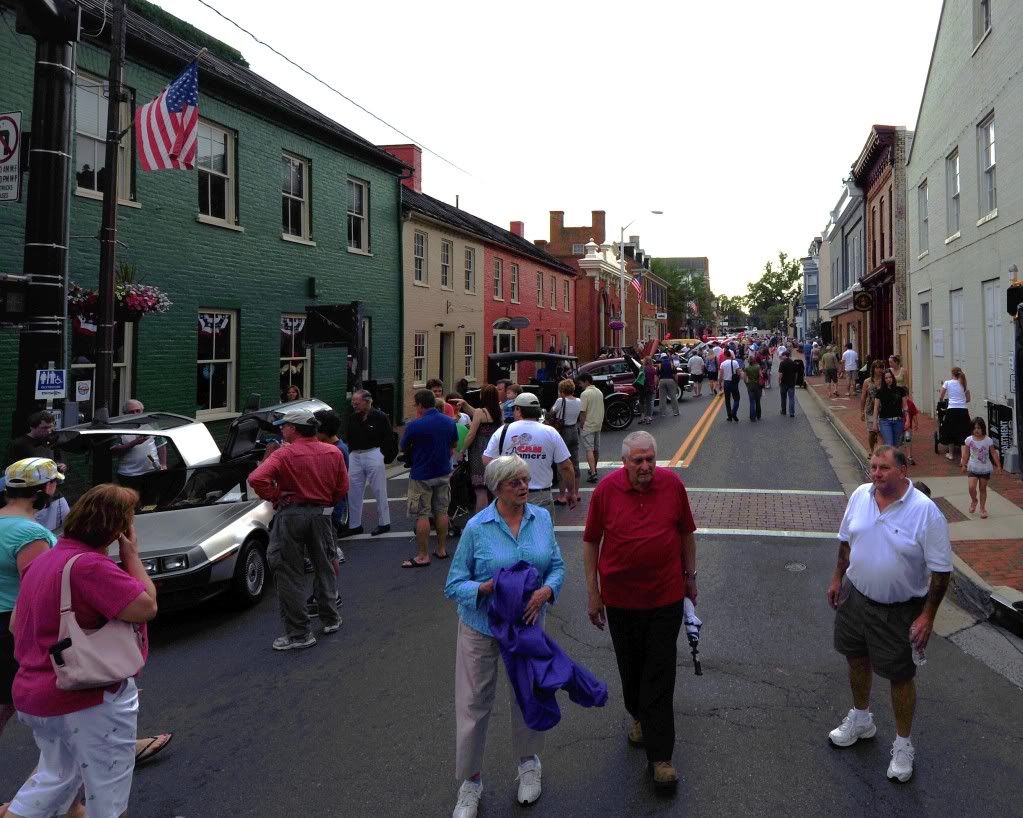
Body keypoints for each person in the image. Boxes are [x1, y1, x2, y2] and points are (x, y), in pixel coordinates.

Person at [5, 484, 158, 818]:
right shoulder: (90, 566)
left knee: (53, 781)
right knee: (108, 794)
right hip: (85, 699)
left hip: (36, 696)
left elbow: (17, 625)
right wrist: (132, 558)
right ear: (119, 529)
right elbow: (145, 607)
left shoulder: (45, 560)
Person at [444, 455, 566, 818]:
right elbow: (453, 583)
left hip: (527, 628)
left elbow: (556, 566)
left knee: (527, 696)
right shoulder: (477, 528)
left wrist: (547, 591)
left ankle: (529, 764)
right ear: (497, 487)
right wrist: (485, 587)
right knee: (473, 705)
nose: (524, 487)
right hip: (481, 628)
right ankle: (471, 783)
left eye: (526, 480)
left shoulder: (541, 518)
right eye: (515, 482)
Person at [827, 446, 953, 783]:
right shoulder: (860, 495)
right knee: (855, 657)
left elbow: (941, 572)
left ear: (902, 471)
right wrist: (838, 578)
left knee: (899, 676)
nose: (876, 473)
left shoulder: (925, 513)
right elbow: (845, 542)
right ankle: (861, 718)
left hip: (898, 610)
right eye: (873, 467)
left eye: (883, 468)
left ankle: (902, 744)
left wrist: (928, 616)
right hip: (855, 597)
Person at [583, 431, 697, 793]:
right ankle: (638, 715)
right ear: (626, 461)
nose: (646, 466)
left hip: (665, 595)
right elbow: (590, 541)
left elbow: (686, 533)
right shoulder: (606, 491)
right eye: (638, 461)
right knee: (631, 668)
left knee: (660, 672)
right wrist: (593, 592)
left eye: (650, 459)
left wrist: (690, 577)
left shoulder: (672, 485)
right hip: (620, 598)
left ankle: (661, 757)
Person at [248, 409, 348, 650]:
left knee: (288, 571)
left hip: (291, 514)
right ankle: (330, 618)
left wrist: (275, 496)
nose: (282, 429)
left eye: (285, 425)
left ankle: (299, 633)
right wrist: (326, 502)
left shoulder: (285, 454)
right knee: (324, 564)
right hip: (321, 514)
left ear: (294, 428)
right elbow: (342, 487)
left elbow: (256, 478)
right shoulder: (332, 451)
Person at [0, 459, 60, 738]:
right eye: (55, 483)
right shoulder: (30, 533)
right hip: (17, 625)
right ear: (45, 488)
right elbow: (37, 590)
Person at [483, 392, 576, 514]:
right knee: (541, 531)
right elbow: (566, 466)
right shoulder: (550, 432)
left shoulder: (503, 430)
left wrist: (499, 484)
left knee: (508, 531)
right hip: (541, 495)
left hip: (509, 494)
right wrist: (571, 492)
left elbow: (487, 460)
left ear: (518, 409)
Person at [400, 389, 459, 568]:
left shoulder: (415, 425)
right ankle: (441, 549)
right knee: (442, 511)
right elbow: (454, 444)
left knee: (422, 514)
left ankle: (423, 555)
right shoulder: (449, 421)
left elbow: (403, 447)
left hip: (422, 474)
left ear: (419, 405)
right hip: (443, 471)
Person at [342, 389, 393, 537]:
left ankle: (384, 523)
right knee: (352, 491)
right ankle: (354, 525)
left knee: (379, 489)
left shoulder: (380, 417)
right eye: (353, 402)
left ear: (367, 401)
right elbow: (349, 435)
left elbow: (388, 437)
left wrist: (382, 455)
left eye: (356, 402)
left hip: (373, 453)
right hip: (355, 455)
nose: (354, 405)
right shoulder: (352, 417)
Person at [111, 399, 167, 494]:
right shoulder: (119, 428)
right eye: (131, 412)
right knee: (131, 502)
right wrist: (134, 443)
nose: (135, 414)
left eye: (138, 411)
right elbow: (114, 450)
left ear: (142, 411)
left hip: (151, 471)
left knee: (150, 501)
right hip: (129, 474)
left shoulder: (151, 424)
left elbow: (161, 446)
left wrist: (163, 464)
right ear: (125, 413)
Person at [463, 385, 503, 513]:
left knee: (481, 491)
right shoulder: (498, 411)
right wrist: (464, 404)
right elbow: (475, 413)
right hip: (495, 453)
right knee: (495, 489)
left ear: (483, 396)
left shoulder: (481, 412)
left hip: (479, 453)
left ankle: (480, 522)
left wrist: (462, 449)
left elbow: (471, 434)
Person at [961, 417, 1002, 518]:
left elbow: (993, 453)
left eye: (979, 428)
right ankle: (974, 500)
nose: (977, 430)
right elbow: (966, 453)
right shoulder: (969, 440)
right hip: (972, 467)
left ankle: (982, 508)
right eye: (974, 428)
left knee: (983, 488)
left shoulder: (988, 440)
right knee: (971, 487)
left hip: (984, 468)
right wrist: (964, 464)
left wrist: (998, 465)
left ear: (983, 428)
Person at [551, 379, 582, 505]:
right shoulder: (579, 401)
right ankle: (575, 493)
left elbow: (553, 411)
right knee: (575, 462)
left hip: (563, 431)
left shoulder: (560, 400)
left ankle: (563, 495)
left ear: (562, 390)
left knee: (562, 462)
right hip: (574, 430)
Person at [938, 367, 971, 463]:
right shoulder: (964, 384)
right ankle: (963, 459)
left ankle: (951, 454)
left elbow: (941, 396)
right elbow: (968, 399)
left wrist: (943, 401)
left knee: (950, 431)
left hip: (952, 409)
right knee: (964, 433)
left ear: (952, 374)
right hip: (963, 410)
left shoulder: (947, 383)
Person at [577, 373, 604, 485]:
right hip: (598, 423)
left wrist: (582, 424)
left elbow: (583, 411)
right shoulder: (599, 392)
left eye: (580, 383)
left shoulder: (585, 394)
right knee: (596, 449)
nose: (579, 385)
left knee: (589, 449)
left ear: (586, 381)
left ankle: (593, 473)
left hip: (588, 424)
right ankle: (594, 468)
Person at [872, 369, 909, 448]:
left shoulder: (900, 390)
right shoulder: (880, 392)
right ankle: (890, 459)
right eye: (886, 378)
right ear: (883, 380)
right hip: (885, 421)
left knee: (896, 445)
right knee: (889, 444)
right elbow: (876, 408)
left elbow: (905, 406)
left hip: (898, 420)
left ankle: (892, 460)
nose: (888, 380)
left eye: (890, 377)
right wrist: (875, 423)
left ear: (893, 378)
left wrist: (907, 420)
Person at [860, 360, 885, 452]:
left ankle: (880, 451)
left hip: (883, 409)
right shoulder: (867, 381)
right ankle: (871, 450)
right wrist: (862, 411)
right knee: (872, 432)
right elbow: (863, 396)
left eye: (881, 368)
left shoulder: (885, 380)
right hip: (870, 409)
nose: (879, 370)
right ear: (873, 369)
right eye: (877, 367)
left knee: (881, 432)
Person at [719, 350, 742, 422]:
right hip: (734, 382)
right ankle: (734, 412)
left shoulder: (722, 364)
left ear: (725, 355)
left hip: (726, 383)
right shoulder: (735, 362)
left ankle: (729, 416)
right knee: (736, 398)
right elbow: (738, 373)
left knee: (727, 400)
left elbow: (721, 375)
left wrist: (720, 384)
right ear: (730, 355)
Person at [778, 349, 798, 418]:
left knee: (783, 398)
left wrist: (779, 380)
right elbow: (796, 373)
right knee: (791, 398)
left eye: (782, 355)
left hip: (783, 383)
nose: (781, 357)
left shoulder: (782, 363)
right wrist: (795, 380)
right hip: (791, 382)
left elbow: (780, 373)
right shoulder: (793, 363)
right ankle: (792, 412)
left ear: (785, 356)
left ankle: (783, 410)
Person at [637, 357, 657, 424]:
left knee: (641, 402)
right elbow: (654, 378)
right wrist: (654, 386)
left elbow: (638, 377)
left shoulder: (642, 368)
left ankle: (642, 417)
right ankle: (648, 418)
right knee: (648, 403)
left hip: (642, 387)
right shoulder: (653, 368)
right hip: (650, 387)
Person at [744, 356, 762, 421]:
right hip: (757, 385)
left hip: (750, 385)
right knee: (758, 401)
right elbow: (761, 375)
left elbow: (744, 378)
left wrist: (747, 384)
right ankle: (758, 415)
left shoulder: (747, 368)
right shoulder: (758, 367)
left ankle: (752, 417)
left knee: (752, 401)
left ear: (748, 361)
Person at [903, 395, 919, 466]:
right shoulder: (896, 403)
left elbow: (914, 414)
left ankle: (909, 456)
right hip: (897, 427)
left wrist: (916, 424)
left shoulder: (910, 404)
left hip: (907, 428)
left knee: (908, 440)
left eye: (905, 396)